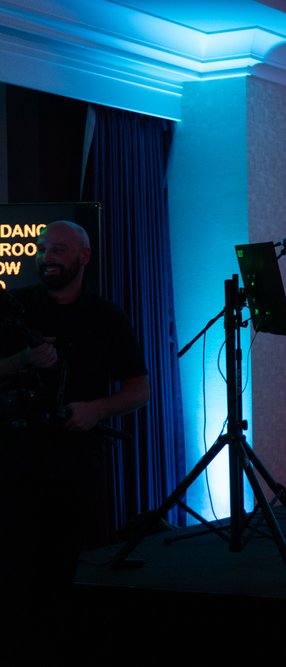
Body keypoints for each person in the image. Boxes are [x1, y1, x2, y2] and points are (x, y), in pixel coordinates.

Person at [0, 220, 149, 621]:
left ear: (84, 257)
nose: (46, 257)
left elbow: (140, 389)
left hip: (74, 463)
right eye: (42, 249)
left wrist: (96, 409)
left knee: (59, 568)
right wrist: (21, 361)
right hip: (12, 459)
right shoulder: (11, 308)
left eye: (58, 250)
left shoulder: (106, 317)